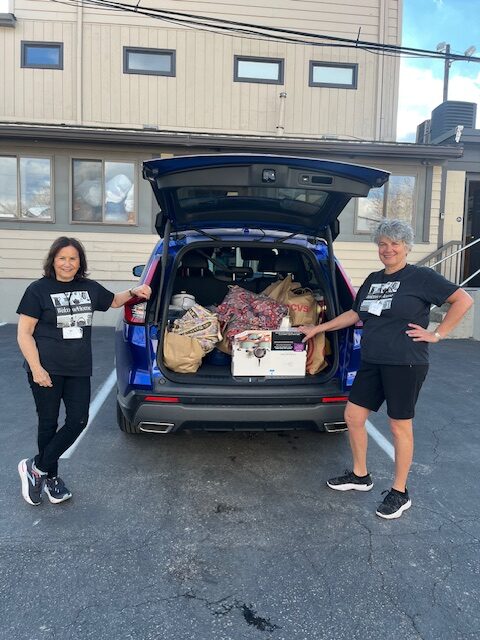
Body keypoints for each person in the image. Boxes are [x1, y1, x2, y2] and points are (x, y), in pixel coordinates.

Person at [300, 219, 473, 520]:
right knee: (353, 416)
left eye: (395, 243)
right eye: (383, 243)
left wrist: (437, 334)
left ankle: (400, 491)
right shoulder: (373, 279)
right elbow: (356, 313)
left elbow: (463, 299)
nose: (388, 249)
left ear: (406, 246)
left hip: (406, 362)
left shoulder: (421, 277)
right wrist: (319, 328)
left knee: (398, 425)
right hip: (373, 360)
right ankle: (360, 475)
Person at [16, 236, 151, 506]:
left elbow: (113, 301)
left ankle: (37, 468)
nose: (67, 263)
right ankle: (51, 479)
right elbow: (24, 333)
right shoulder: (37, 290)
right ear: (53, 260)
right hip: (46, 369)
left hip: (78, 368)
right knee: (48, 423)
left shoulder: (88, 288)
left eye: (73, 258)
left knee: (78, 420)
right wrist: (36, 368)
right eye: (62, 258)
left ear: (80, 263)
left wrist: (136, 291)